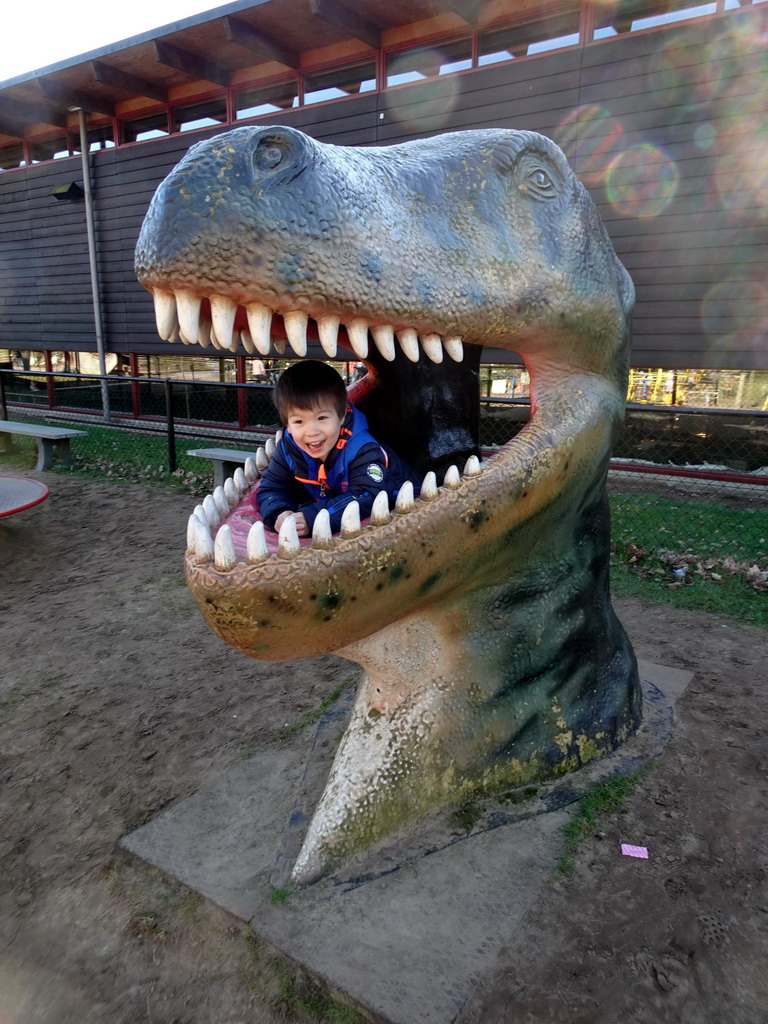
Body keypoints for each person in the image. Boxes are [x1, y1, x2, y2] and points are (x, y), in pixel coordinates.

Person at [256, 361, 421, 537]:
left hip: (403, 507)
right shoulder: (289, 447)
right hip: (338, 500)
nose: (312, 432)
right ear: (287, 424)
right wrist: (279, 512)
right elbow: (271, 487)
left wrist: (312, 518)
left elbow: (366, 495)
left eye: (322, 418)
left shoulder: (363, 450)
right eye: (299, 422)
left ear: (341, 416)